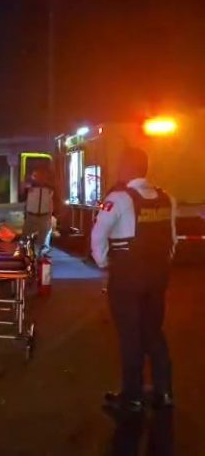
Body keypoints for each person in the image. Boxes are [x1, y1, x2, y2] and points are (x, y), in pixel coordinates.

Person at [91, 146, 177, 414]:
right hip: (157, 276)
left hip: (127, 277)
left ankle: (133, 397)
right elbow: (172, 239)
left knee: (130, 336)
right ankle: (163, 392)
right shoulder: (166, 198)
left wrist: (104, 263)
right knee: (153, 332)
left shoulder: (118, 198)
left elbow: (98, 235)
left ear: (127, 168)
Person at [22, 168, 55, 256]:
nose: (38, 178)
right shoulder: (29, 187)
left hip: (44, 215)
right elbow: (22, 193)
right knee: (26, 237)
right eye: (35, 176)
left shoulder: (49, 187)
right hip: (31, 215)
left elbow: (51, 201)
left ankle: (38, 256)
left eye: (40, 176)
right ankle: (26, 254)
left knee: (42, 239)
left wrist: (50, 215)